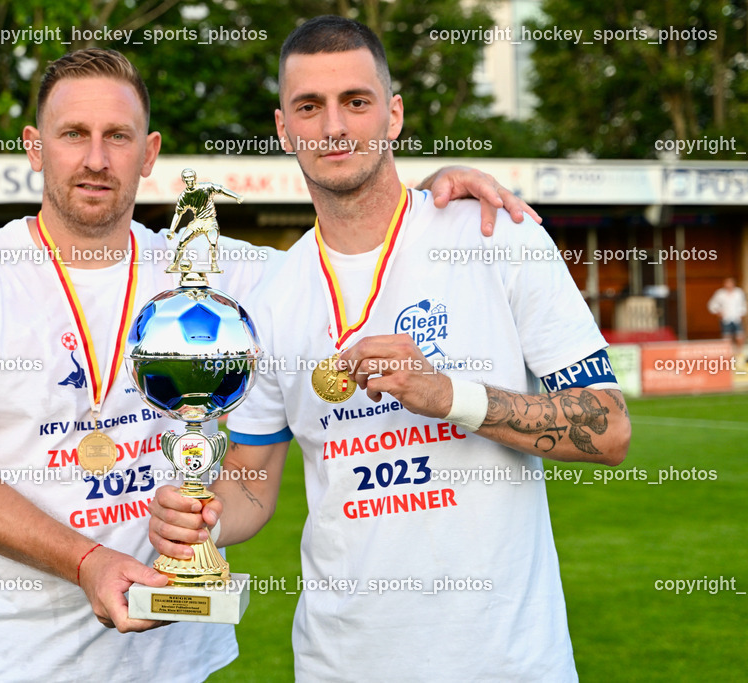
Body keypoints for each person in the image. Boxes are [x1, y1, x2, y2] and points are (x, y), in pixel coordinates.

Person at [0, 46, 543, 681]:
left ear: (150, 153)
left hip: (175, 658)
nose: (96, 157)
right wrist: (86, 561)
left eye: (119, 136)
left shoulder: (212, 271)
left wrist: (428, 202)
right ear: (34, 146)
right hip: (15, 660)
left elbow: (353, 249)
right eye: (73, 133)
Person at [149, 17, 632, 682]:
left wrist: (447, 396)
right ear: (284, 128)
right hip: (340, 662)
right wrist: (200, 512)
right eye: (309, 107)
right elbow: (252, 488)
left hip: (506, 662)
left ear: (393, 114)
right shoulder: (269, 298)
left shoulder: (495, 235)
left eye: (356, 101)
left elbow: (609, 429)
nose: (334, 128)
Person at [707, 277, 747, 360]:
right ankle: (729, 355)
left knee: (740, 336)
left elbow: (743, 304)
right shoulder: (720, 293)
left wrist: (742, 313)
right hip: (726, 319)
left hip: (736, 318)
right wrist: (718, 312)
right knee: (727, 338)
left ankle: (739, 353)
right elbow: (712, 305)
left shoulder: (739, 293)